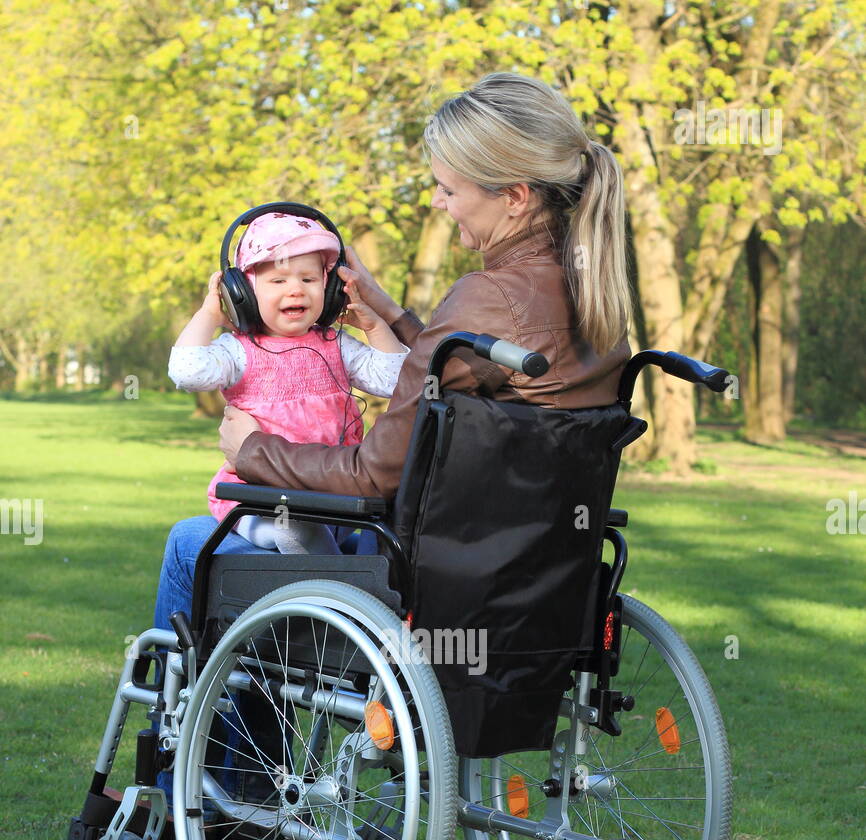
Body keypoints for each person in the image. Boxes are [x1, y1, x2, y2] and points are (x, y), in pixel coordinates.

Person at [154, 69, 632, 633]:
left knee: (192, 540)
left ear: (515, 198)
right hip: (533, 589)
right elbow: (451, 364)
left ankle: (201, 723)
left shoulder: (487, 299)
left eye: (450, 190)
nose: (437, 202)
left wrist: (252, 449)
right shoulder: (594, 302)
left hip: (421, 588)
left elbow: (370, 475)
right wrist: (387, 309)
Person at [167, 210, 409, 556]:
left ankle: (346, 578)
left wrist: (375, 327)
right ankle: (324, 568)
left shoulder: (334, 344)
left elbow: (395, 380)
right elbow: (187, 371)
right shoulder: (239, 351)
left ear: (331, 292)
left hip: (335, 497)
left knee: (385, 517)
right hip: (261, 503)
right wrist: (208, 315)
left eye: (309, 280)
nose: (296, 289)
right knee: (290, 525)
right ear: (243, 295)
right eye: (278, 281)